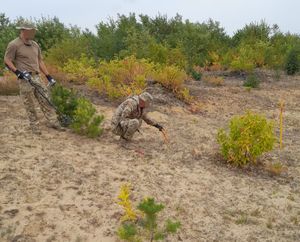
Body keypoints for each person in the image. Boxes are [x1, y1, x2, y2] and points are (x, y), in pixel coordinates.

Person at [4, 21, 62, 134]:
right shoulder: (14, 44)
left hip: (37, 77)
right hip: (25, 79)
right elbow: (7, 60)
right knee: (29, 104)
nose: (34, 32)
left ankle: (53, 122)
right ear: (24, 30)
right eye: (32, 30)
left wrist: (48, 76)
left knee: (46, 99)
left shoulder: (35, 45)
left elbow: (40, 61)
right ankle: (35, 127)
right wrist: (17, 72)